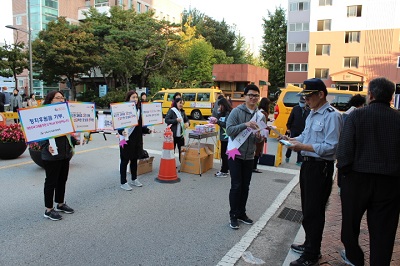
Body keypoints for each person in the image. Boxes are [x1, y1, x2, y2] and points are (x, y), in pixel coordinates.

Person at [337, 77, 400, 266]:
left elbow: (345, 150)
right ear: (391, 97)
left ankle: (355, 258)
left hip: (357, 179)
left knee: (349, 225)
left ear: (370, 95)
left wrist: (344, 174)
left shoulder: (357, 116)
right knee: (384, 231)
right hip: (390, 182)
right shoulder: (398, 118)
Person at [279, 78, 343, 266]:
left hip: (320, 167)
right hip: (308, 165)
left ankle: (312, 254)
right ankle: (309, 243)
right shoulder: (312, 113)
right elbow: (305, 136)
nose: (306, 101)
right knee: (307, 209)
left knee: (315, 211)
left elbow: (332, 147)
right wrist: (291, 139)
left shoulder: (332, 116)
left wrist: (303, 146)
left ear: (320, 95)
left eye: (308, 97)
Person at [226, 84, 266, 230]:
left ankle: (242, 213)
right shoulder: (236, 112)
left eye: (256, 95)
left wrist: (259, 137)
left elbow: (259, 139)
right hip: (235, 153)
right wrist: (245, 125)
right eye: (251, 95)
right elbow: (229, 130)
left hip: (249, 156)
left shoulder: (261, 116)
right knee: (236, 186)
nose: (253, 98)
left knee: (245, 186)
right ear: (245, 96)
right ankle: (233, 215)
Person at [40, 91, 78, 221]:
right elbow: (38, 134)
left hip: (64, 153)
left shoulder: (65, 115)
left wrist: (75, 140)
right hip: (51, 156)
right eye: (58, 98)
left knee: (62, 179)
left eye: (62, 97)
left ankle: (60, 203)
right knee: (51, 182)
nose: (61, 99)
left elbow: (68, 135)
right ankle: (49, 209)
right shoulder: (43, 114)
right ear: (50, 100)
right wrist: (46, 146)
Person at [118, 90, 152, 191]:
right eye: (133, 97)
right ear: (128, 99)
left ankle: (134, 178)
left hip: (137, 139)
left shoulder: (139, 110)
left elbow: (141, 126)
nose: (135, 99)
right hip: (125, 139)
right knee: (124, 160)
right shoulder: (122, 110)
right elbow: (118, 125)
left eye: (136, 97)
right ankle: (123, 182)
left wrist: (148, 130)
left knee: (134, 159)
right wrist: (121, 132)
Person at [285, 96, 310, 166]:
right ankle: (287, 156)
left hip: (302, 130)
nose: (302, 103)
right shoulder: (295, 108)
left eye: (303, 102)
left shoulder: (308, 111)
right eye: (301, 102)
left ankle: (299, 160)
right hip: (294, 128)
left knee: (300, 145)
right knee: (290, 143)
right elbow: (290, 118)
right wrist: (288, 127)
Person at [210, 97, 232, 177]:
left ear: (223, 105)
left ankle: (224, 171)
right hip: (223, 137)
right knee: (225, 154)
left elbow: (227, 125)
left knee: (224, 154)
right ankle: (227, 167)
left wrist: (217, 121)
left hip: (227, 137)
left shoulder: (228, 113)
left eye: (220, 106)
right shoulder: (223, 113)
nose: (219, 108)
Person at [165, 97, 189, 164]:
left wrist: (187, 123)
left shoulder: (182, 112)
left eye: (182, 103)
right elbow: (166, 120)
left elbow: (187, 120)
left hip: (180, 135)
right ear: (176, 103)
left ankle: (182, 164)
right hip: (173, 134)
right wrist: (175, 120)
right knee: (171, 150)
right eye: (180, 103)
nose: (181, 105)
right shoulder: (172, 111)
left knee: (182, 150)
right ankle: (171, 164)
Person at [253, 97, 271, 173]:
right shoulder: (264, 113)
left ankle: (253, 166)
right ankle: (254, 167)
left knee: (256, 149)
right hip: (261, 132)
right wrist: (269, 128)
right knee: (258, 150)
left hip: (256, 131)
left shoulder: (258, 111)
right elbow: (262, 125)